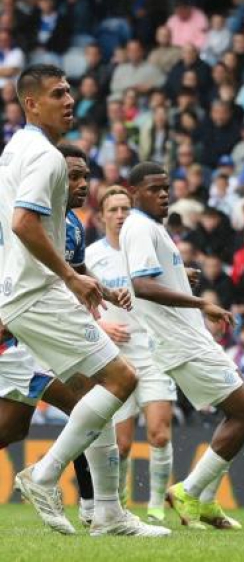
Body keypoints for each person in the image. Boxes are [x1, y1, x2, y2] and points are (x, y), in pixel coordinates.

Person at [0, 65, 167, 537]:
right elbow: (23, 224)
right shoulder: (46, 157)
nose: (69, 100)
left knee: (92, 395)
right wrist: (71, 277)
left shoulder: (14, 149)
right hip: (37, 293)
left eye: (69, 91)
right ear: (32, 103)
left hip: (22, 292)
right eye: (58, 94)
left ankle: (108, 512)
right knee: (122, 379)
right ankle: (44, 475)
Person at [120, 162, 244, 529]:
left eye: (166, 188)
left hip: (187, 339)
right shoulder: (138, 227)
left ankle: (207, 501)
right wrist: (202, 302)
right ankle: (189, 491)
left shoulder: (152, 227)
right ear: (134, 192)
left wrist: (180, 277)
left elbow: (154, 278)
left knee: (240, 414)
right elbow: (142, 286)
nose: (163, 194)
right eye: (154, 189)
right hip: (182, 341)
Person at [86, 185, 176, 524]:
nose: (120, 215)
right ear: (101, 217)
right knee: (121, 444)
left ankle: (156, 507)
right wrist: (102, 326)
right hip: (114, 356)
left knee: (159, 433)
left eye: (126, 208)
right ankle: (119, 506)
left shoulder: (146, 247)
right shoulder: (91, 256)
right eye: (113, 209)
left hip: (152, 349)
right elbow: (75, 302)